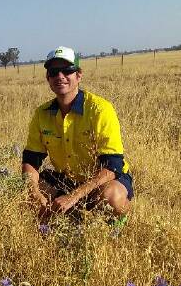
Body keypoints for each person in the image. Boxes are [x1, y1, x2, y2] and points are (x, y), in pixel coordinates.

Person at [22, 46, 133, 221]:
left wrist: (73, 197)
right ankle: (74, 215)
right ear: (48, 78)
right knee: (23, 189)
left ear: (79, 75)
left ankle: (118, 216)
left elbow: (113, 165)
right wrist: (35, 194)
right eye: (54, 71)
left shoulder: (100, 109)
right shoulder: (41, 114)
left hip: (102, 181)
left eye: (67, 70)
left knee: (112, 197)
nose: (60, 76)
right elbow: (30, 160)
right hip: (66, 179)